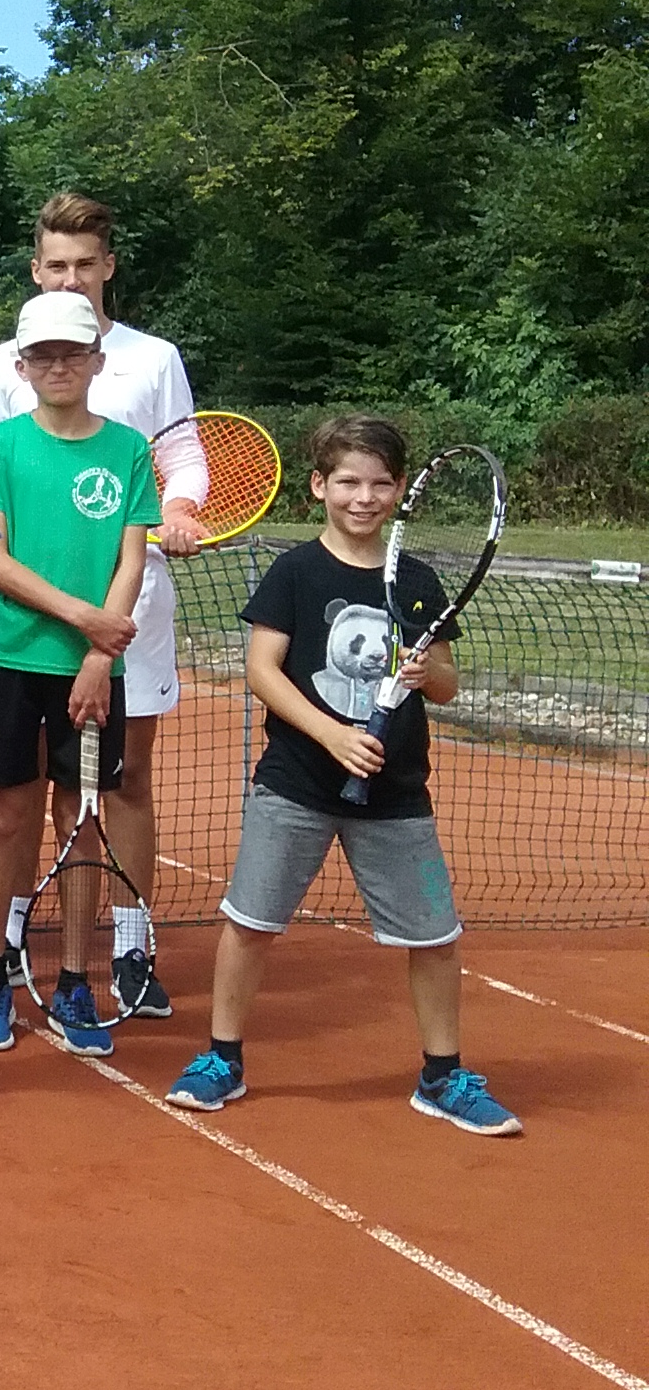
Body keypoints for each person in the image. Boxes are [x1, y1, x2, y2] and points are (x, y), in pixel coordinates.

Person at [166, 417, 521, 1135]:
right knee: (249, 924)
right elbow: (262, 670)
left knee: (435, 937)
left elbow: (446, 685)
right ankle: (222, 1059)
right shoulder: (296, 572)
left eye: (381, 484)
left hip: (396, 795)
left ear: (399, 491)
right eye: (349, 482)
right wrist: (330, 735)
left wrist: (424, 671)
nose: (365, 497)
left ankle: (442, 1075)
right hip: (295, 784)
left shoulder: (417, 582)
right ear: (319, 486)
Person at [0, 193, 203, 1020]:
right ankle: (1, 952)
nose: (71, 278)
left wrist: (182, 510)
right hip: (22, 637)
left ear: (109, 267)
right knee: (12, 803)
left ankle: (120, 956)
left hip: (126, 631)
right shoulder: (1, 385)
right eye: (56, 265)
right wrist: (82, 619)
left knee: (109, 796)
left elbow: (180, 463)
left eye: (84, 264)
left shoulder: (152, 365)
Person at [0, 290, 158, 1059]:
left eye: (73, 353)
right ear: (22, 366)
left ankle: (75, 980)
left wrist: (101, 657)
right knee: (5, 819)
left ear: (97, 361)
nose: (59, 366)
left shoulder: (128, 450)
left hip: (94, 673)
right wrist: (87, 621)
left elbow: (130, 560)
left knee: (80, 822)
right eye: (43, 355)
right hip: (10, 660)